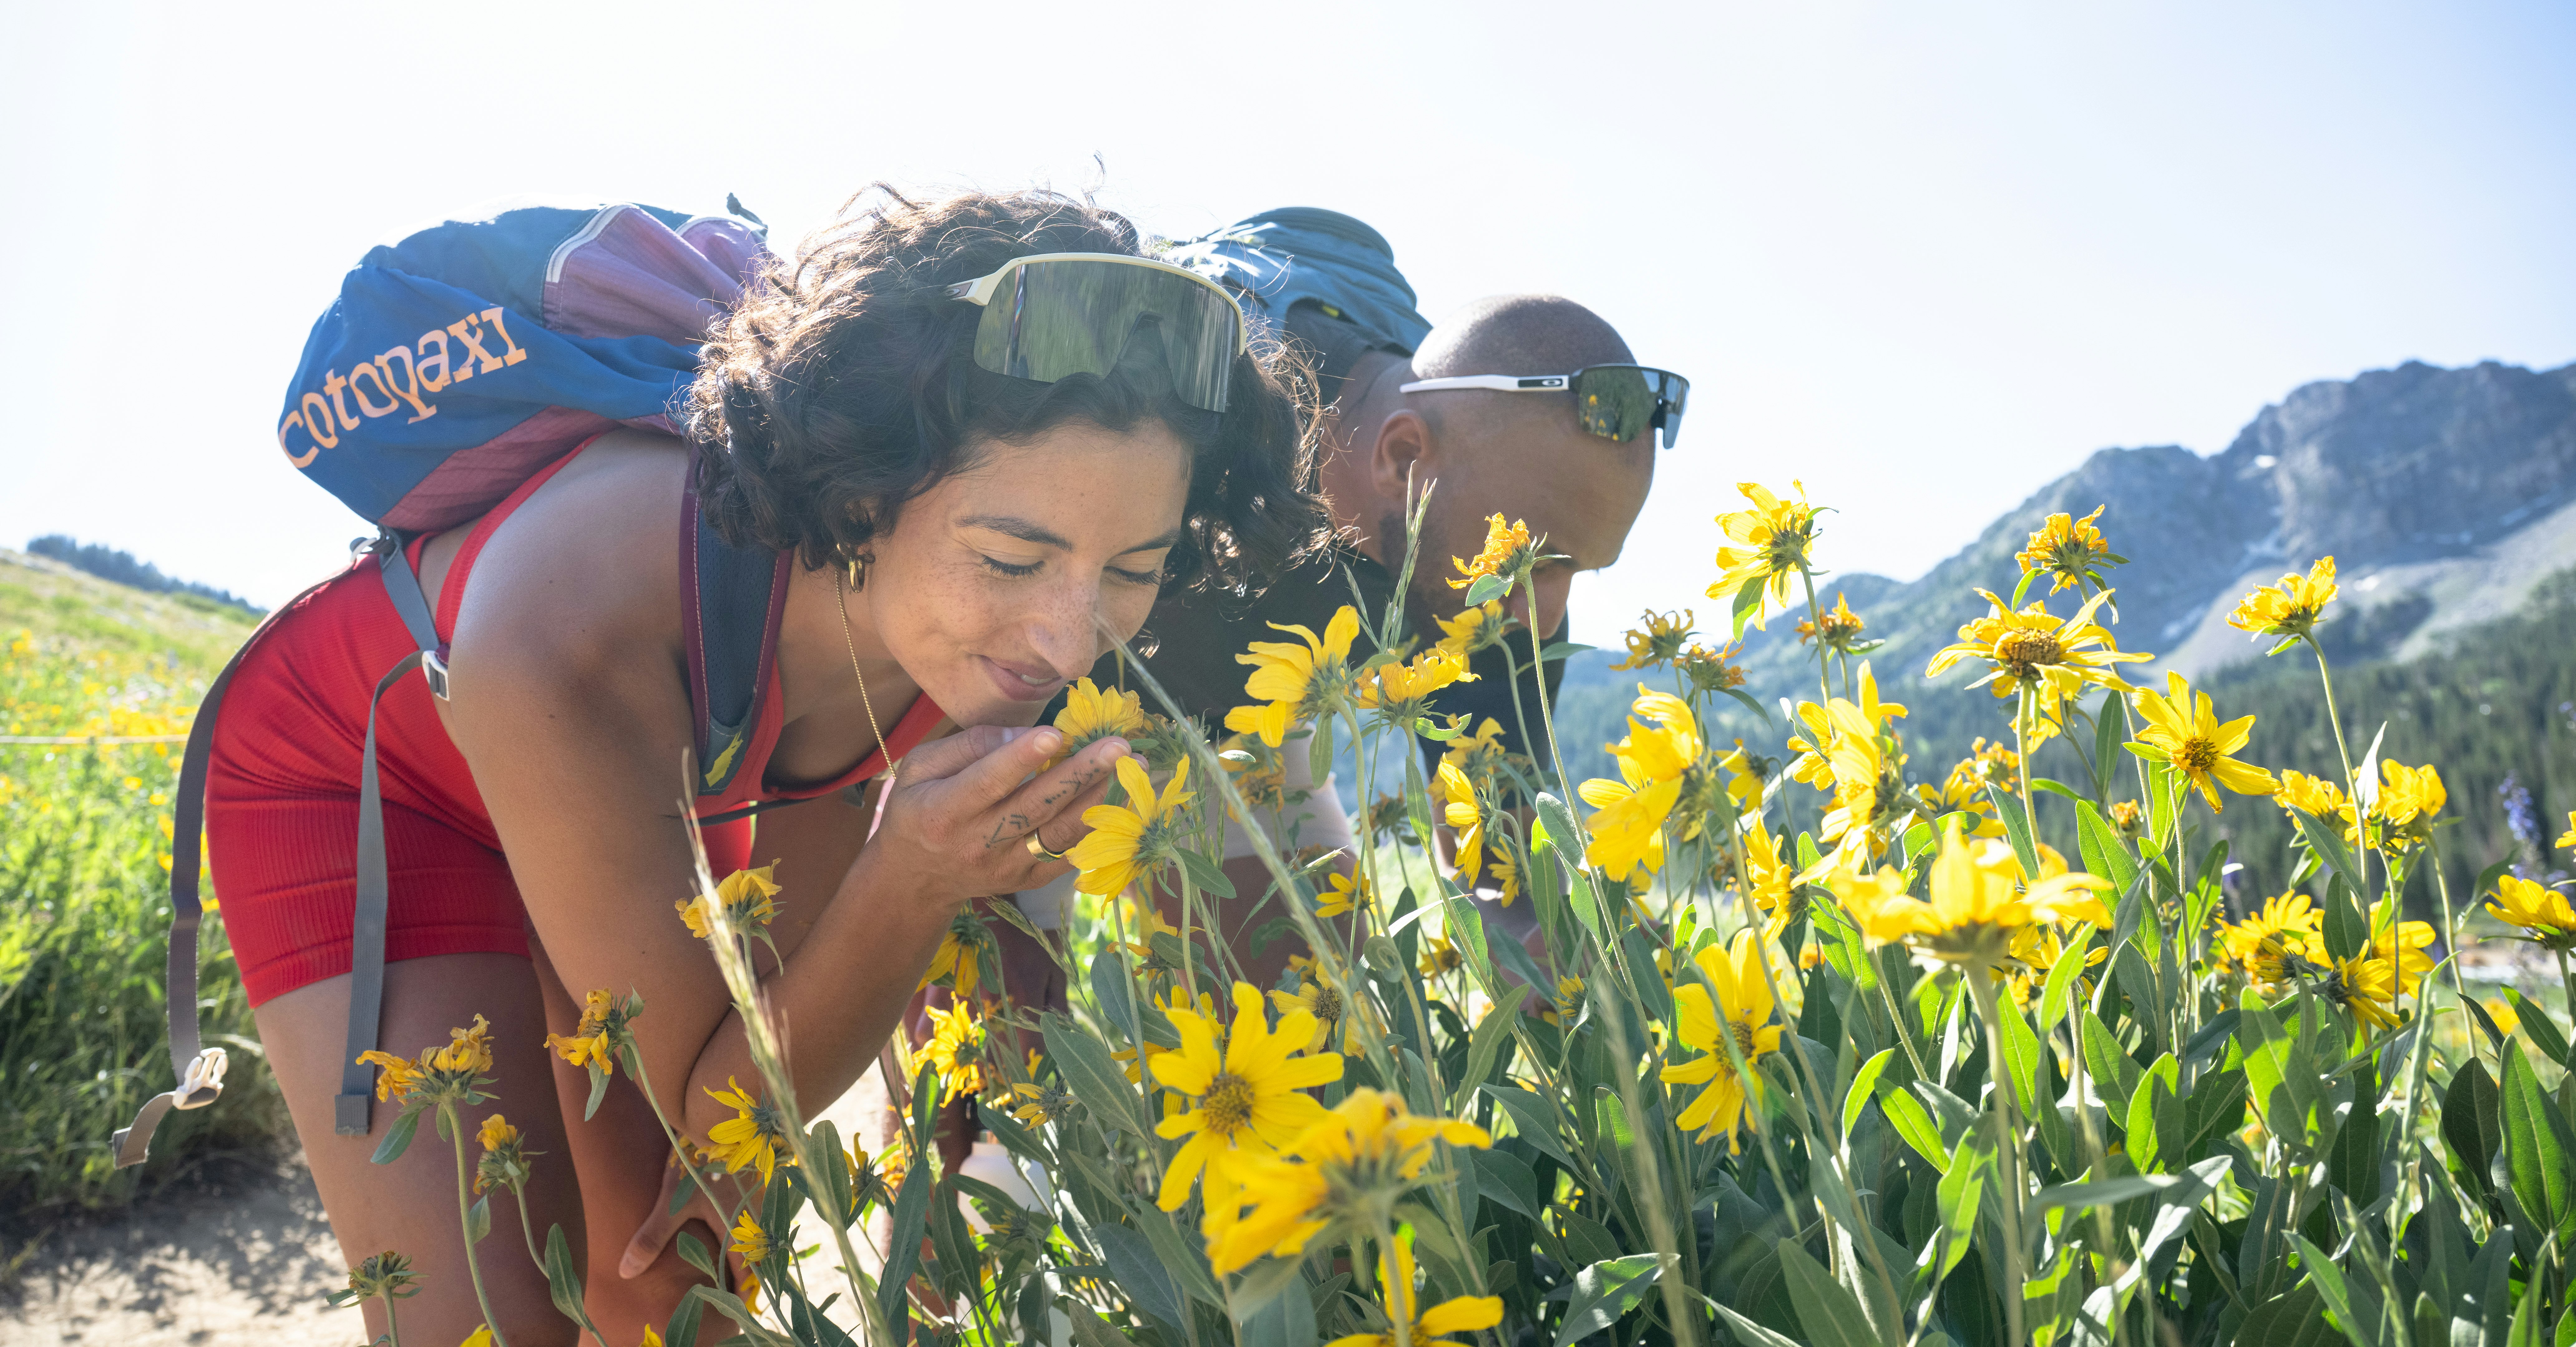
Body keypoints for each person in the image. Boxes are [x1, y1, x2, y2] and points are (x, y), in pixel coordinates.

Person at [202, 189, 1323, 1346]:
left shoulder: (941, 627)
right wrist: (911, 879)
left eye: (1132, 568)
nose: (1068, 638)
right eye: (1009, 558)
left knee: (677, 1280)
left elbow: (734, 1112)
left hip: (642, 775)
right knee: (484, 1323)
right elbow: (722, 1094)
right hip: (370, 781)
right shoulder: (577, 617)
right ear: (858, 499)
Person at [1075, 207, 1685, 982]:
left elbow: (1497, 865)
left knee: (1322, 1023)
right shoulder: (1186, 425)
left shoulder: (1497, 570)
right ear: (1403, 456)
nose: (1546, 615)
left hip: (1230, 733)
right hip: (1033, 680)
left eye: (1579, 569)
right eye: (1535, 562)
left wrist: (1550, 949)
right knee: (992, 1033)